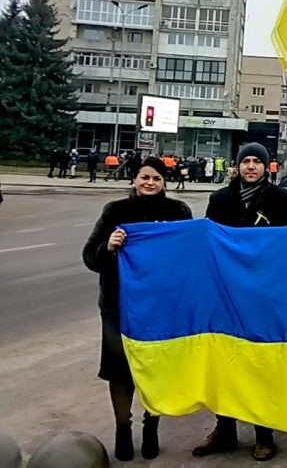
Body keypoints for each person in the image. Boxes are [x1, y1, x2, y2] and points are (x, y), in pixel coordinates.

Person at [193, 143, 287, 462]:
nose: (251, 166)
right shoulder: (220, 200)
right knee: (226, 362)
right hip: (227, 294)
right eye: (246, 161)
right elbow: (209, 243)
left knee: (260, 363)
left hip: (265, 295)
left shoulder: (283, 200)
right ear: (237, 166)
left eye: (257, 161)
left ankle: (264, 434)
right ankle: (224, 429)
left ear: (267, 167)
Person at [82, 157, 192, 461]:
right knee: (119, 371)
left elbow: (188, 256)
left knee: (154, 369)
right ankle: (123, 429)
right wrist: (109, 246)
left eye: (156, 178)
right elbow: (90, 257)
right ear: (134, 179)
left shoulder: (178, 212)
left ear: (165, 182)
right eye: (145, 177)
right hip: (118, 307)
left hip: (160, 308)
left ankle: (151, 426)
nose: (150, 183)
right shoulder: (115, 211)